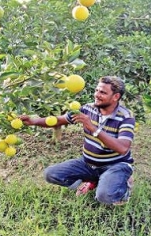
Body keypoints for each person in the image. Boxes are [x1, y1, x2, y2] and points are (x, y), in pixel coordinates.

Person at [20, 76, 135, 205]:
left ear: (115, 96)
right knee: (51, 174)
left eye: (102, 92)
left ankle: (124, 188)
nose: (97, 95)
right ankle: (94, 180)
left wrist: (93, 128)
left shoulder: (126, 117)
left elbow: (123, 148)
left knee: (105, 197)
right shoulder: (87, 109)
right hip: (88, 164)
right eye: (96, 90)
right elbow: (58, 120)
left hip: (115, 165)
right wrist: (32, 121)